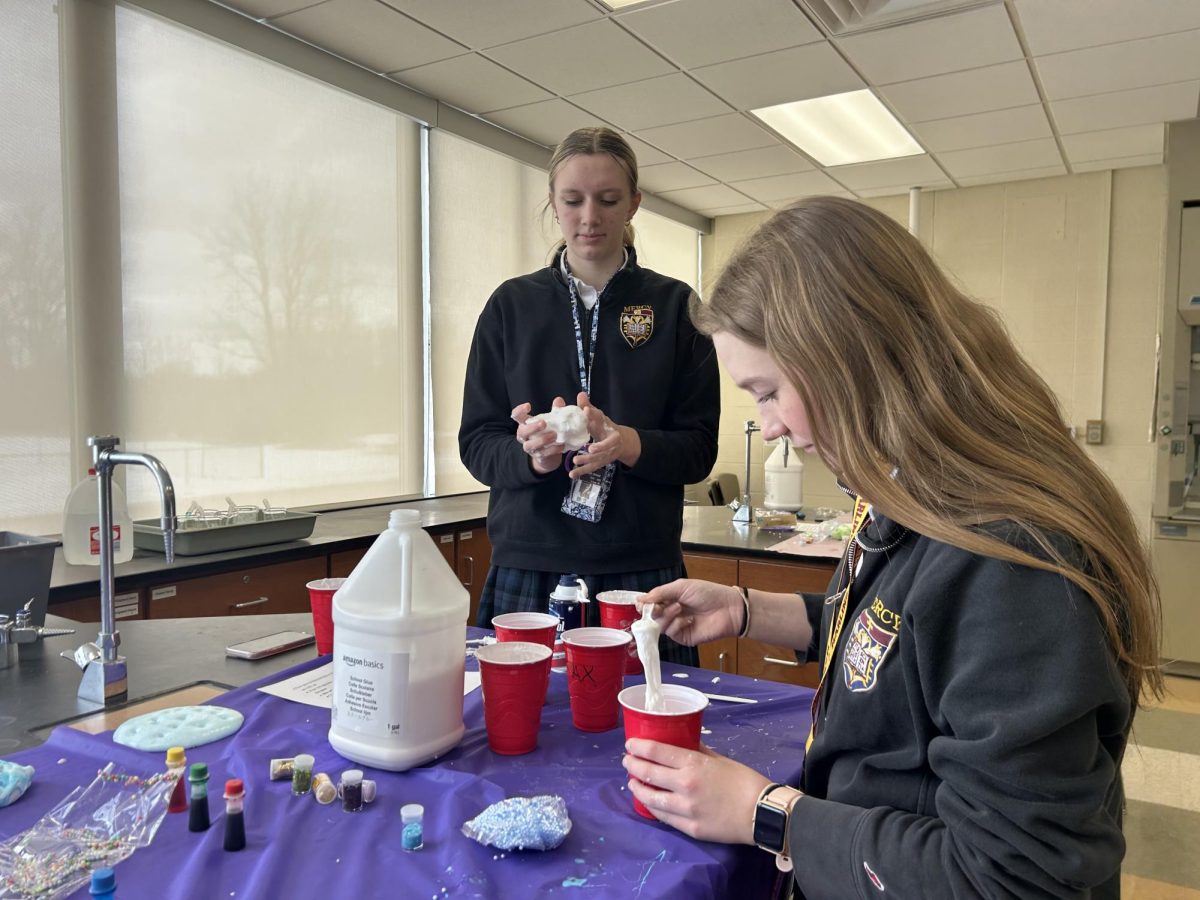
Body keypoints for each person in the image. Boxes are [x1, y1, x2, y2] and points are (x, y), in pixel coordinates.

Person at [626, 197, 1163, 898]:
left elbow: (1011, 877)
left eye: (769, 391)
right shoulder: (915, 487)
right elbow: (893, 645)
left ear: (845, 357)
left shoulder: (1010, 558)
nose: (773, 428)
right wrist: (747, 609)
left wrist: (767, 815)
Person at [458, 127, 719, 666]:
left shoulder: (674, 308)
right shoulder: (510, 306)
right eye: (572, 200)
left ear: (634, 205)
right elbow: (478, 441)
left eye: (608, 200)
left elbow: (699, 449)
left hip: (640, 565)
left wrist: (627, 443)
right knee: (520, 733)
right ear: (553, 205)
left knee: (648, 728)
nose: (589, 217)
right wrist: (529, 455)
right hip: (529, 562)